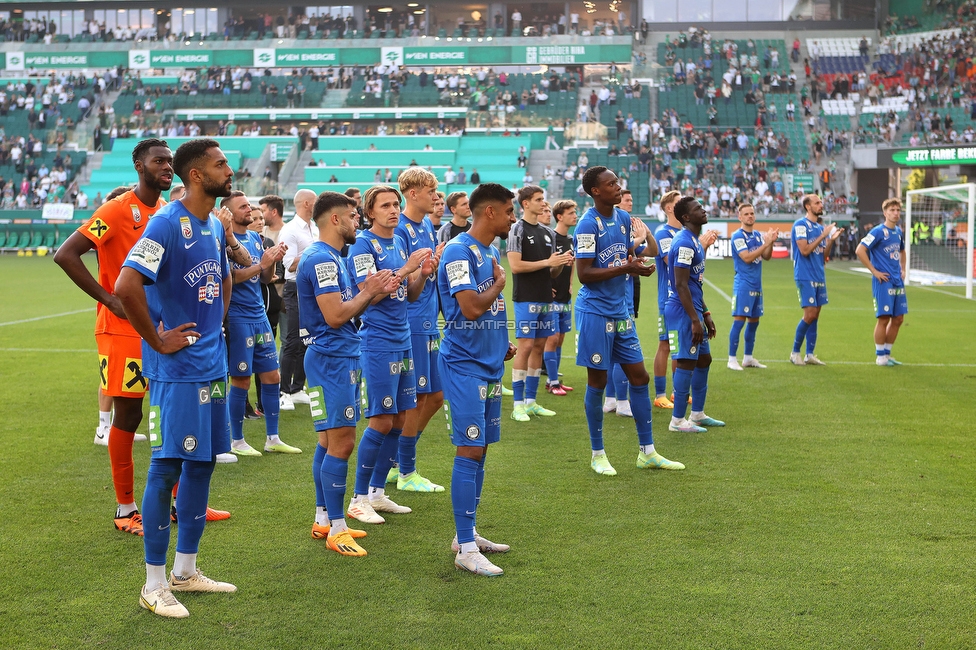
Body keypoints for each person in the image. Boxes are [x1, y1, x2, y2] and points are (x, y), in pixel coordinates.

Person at [115, 138, 239, 618]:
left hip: (211, 366)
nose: (229, 169)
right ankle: (153, 583)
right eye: (220, 164)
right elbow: (127, 286)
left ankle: (186, 573)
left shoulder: (212, 224)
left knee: (202, 465)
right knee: (167, 466)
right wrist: (159, 339)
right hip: (176, 372)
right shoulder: (166, 222)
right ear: (195, 175)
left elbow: (224, 278)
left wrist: (214, 326)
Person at [53, 138, 170, 537]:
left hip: (161, 327)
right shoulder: (117, 210)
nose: (166, 167)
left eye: (170, 161)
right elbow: (66, 254)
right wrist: (108, 298)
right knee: (130, 413)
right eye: (159, 161)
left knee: (171, 408)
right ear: (139, 165)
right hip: (121, 329)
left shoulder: (169, 212)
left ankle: (175, 502)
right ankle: (125, 509)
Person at [299, 191, 401, 557]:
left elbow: (347, 308)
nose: (358, 221)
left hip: (337, 357)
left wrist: (374, 292)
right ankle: (337, 529)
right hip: (331, 359)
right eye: (354, 216)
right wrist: (370, 290)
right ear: (335, 220)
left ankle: (324, 519)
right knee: (341, 443)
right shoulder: (323, 260)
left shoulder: (331, 257)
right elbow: (336, 316)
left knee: (328, 442)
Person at [573, 166, 683, 476]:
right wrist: (627, 269)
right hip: (595, 312)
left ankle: (647, 452)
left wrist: (644, 239)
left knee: (640, 377)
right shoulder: (586, 225)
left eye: (617, 182)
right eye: (611, 184)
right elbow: (584, 274)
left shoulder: (622, 219)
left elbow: (649, 250)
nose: (618, 187)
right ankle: (597, 453)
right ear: (596, 191)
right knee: (598, 381)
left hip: (621, 312)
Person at [437, 183, 517, 576]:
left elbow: (490, 309)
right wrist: (499, 285)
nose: (512, 218)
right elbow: (468, 307)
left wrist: (501, 342)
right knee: (469, 449)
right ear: (488, 213)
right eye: (508, 211)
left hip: (488, 362)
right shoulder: (456, 251)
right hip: (463, 364)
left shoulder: (490, 250)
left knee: (481, 449)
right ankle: (465, 549)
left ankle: (465, 534)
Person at [343, 186, 433, 526]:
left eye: (396, 204)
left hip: (403, 338)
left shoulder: (400, 241)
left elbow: (409, 296)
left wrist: (421, 275)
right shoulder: (364, 244)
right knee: (381, 420)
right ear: (370, 212)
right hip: (377, 341)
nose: (393, 210)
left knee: (399, 418)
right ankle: (358, 498)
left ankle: (378, 492)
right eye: (385, 205)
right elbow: (370, 294)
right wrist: (409, 267)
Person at [220, 191, 300, 457]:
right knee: (241, 379)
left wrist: (271, 261)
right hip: (238, 316)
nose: (250, 211)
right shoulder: (222, 241)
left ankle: (272, 437)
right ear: (228, 213)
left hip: (259, 315)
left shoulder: (255, 238)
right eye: (243, 207)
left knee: (272, 376)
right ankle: (237, 440)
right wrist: (261, 265)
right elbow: (231, 277)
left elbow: (265, 279)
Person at [393, 168, 446, 491]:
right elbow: (404, 280)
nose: (435, 198)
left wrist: (433, 266)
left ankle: (398, 459)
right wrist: (423, 272)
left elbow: (425, 273)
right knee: (417, 396)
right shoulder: (399, 228)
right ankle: (405, 470)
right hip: (411, 320)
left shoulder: (427, 224)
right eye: (430, 192)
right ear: (412, 194)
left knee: (436, 396)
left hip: (428, 318)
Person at [507, 185, 573, 421]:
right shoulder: (517, 229)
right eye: (538, 199)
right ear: (525, 204)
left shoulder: (548, 233)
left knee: (539, 347)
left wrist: (560, 263)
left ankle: (531, 401)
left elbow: (552, 273)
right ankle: (517, 405)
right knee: (524, 347)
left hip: (546, 297)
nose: (543, 203)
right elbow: (515, 266)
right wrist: (548, 262)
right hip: (526, 297)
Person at [665, 196, 725, 433]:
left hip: (694, 309)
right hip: (681, 311)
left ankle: (697, 414)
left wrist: (705, 313)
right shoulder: (684, 243)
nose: (703, 209)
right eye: (697, 208)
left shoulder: (695, 242)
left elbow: (693, 284)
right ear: (686, 217)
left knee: (703, 360)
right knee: (687, 362)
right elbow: (680, 285)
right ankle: (677, 420)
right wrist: (693, 319)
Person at [790, 194, 841, 365]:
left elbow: (823, 256)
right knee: (809, 314)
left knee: (816, 315)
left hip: (819, 274)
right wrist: (824, 235)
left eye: (821, 202)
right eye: (817, 203)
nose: (821, 205)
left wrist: (831, 241)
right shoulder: (800, 225)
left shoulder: (820, 229)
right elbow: (804, 250)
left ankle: (809, 354)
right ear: (807, 207)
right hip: (805, 275)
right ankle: (795, 352)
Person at [279, 189, 318, 409]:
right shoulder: (291, 230)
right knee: (292, 340)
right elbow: (289, 264)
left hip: (311, 288)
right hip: (295, 287)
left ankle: (297, 387)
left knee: (307, 338)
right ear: (306, 203)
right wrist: (314, 251)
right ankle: (283, 391)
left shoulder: (314, 227)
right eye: (315, 202)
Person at [856, 198, 907, 366]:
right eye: (892, 210)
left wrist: (903, 268)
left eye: (898, 210)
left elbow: (902, 251)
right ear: (885, 213)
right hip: (883, 281)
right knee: (884, 318)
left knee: (898, 318)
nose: (895, 213)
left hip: (897, 280)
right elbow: (860, 250)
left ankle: (887, 353)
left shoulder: (898, 231)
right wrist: (874, 271)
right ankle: (880, 356)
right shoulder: (878, 231)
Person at [727, 203, 778, 370]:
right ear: (740, 217)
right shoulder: (737, 236)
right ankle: (732, 359)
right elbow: (747, 257)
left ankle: (748, 358)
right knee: (739, 322)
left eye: (752, 213)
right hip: (743, 284)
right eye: (746, 214)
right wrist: (765, 243)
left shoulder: (757, 235)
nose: (750, 216)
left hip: (757, 286)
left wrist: (770, 243)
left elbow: (767, 256)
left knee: (754, 322)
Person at [543, 200, 577, 396]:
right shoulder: (550, 237)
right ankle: (553, 382)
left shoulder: (571, 239)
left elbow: (571, 264)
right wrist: (546, 287)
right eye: (571, 212)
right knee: (552, 338)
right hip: (551, 298)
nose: (575, 215)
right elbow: (545, 265)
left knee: (561, 338)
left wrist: (571, 283)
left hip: (566, 296)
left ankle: (551, 380)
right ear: (560, 216)